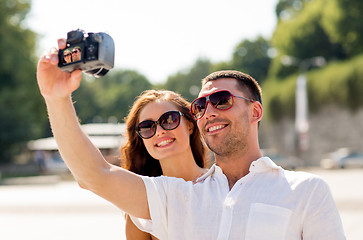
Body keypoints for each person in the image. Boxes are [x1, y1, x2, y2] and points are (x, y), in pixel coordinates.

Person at [37, 38, 345, 239]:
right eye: (200, 106)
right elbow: (96, 175)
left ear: (255, 112)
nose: (208, 111)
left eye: (221, 100)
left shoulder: (306, 191)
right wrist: (56, 98)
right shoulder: (178, 196)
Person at [120, 89, 208, 239]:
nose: (159, 131)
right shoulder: (143, 204)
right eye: (147, 127)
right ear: (141, 139)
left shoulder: (223, 182)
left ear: (190, 125)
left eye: (169, 120)